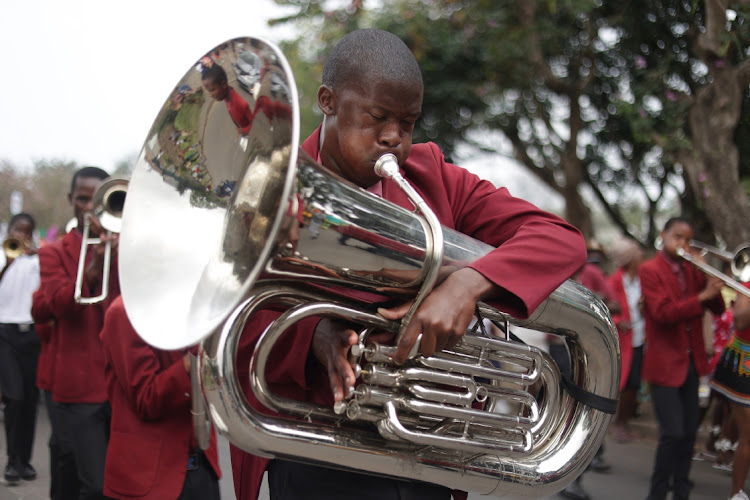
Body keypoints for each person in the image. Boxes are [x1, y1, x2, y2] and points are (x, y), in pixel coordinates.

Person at [229, 29, 587, 500]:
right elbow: (227, 315)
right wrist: (314, 335)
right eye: (377, 118)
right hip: (316, 451)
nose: (393, 138)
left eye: (409, 122)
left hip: (426, 455)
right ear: (329, 101)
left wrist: (470, 284)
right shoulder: (269, 187)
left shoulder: (433, 174)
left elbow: (560, 240)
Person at [34, 166, 121, 500]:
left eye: (95, 199)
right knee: (93, 484)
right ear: (71, 200)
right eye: (82, 199)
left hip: (120, 383)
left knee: (114, 480)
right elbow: (55, 304)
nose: (88, 207)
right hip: (79, 387)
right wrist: (94, 269)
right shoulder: (52, 252)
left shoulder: (126, 248)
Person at [98, 296, 222, 500]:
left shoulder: (194, 307)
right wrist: (190, 363)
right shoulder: (123, 312)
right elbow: (146, 399)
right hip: (151, 479)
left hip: (202, 466)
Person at [640, 217, 725, 500]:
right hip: (664, 364)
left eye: (688, 240)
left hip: (692, 363)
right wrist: (702, 297)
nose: (683, 245)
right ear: (663, 235)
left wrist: (708, 278)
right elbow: (663, 314)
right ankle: (657, 493)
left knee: (688, 436)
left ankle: (681, 493)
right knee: (672, 434)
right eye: (678, 237)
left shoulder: (693, 269)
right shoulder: (649, 269)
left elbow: (718, 305)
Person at [0, 213, 41, 485]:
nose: (22, 235)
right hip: (5, 333)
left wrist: (39, 255)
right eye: (18, 230)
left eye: (27, 231)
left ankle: (24, 461)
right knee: (13, 398)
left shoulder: (39, 259)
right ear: (10, 229)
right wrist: (9, 262)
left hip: (33, 334)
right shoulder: (3, 256)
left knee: (29, 400)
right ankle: (12, 460)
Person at [711, 284, 750, 500]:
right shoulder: (747, 284)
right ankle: (736, 493)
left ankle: (724, 447)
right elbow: (741, 320)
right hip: (743, 361)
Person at [607, 237, 646, 443]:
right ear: (629, 259)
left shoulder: (643, 280)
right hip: (621, 341)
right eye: (638, 252)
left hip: (639, 339)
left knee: (633, 384)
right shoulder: (614, 281)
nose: (642, 256)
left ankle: (623, 423)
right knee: (618, 381)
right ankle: (612, 424)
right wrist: (618, 320)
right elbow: (605, 308)